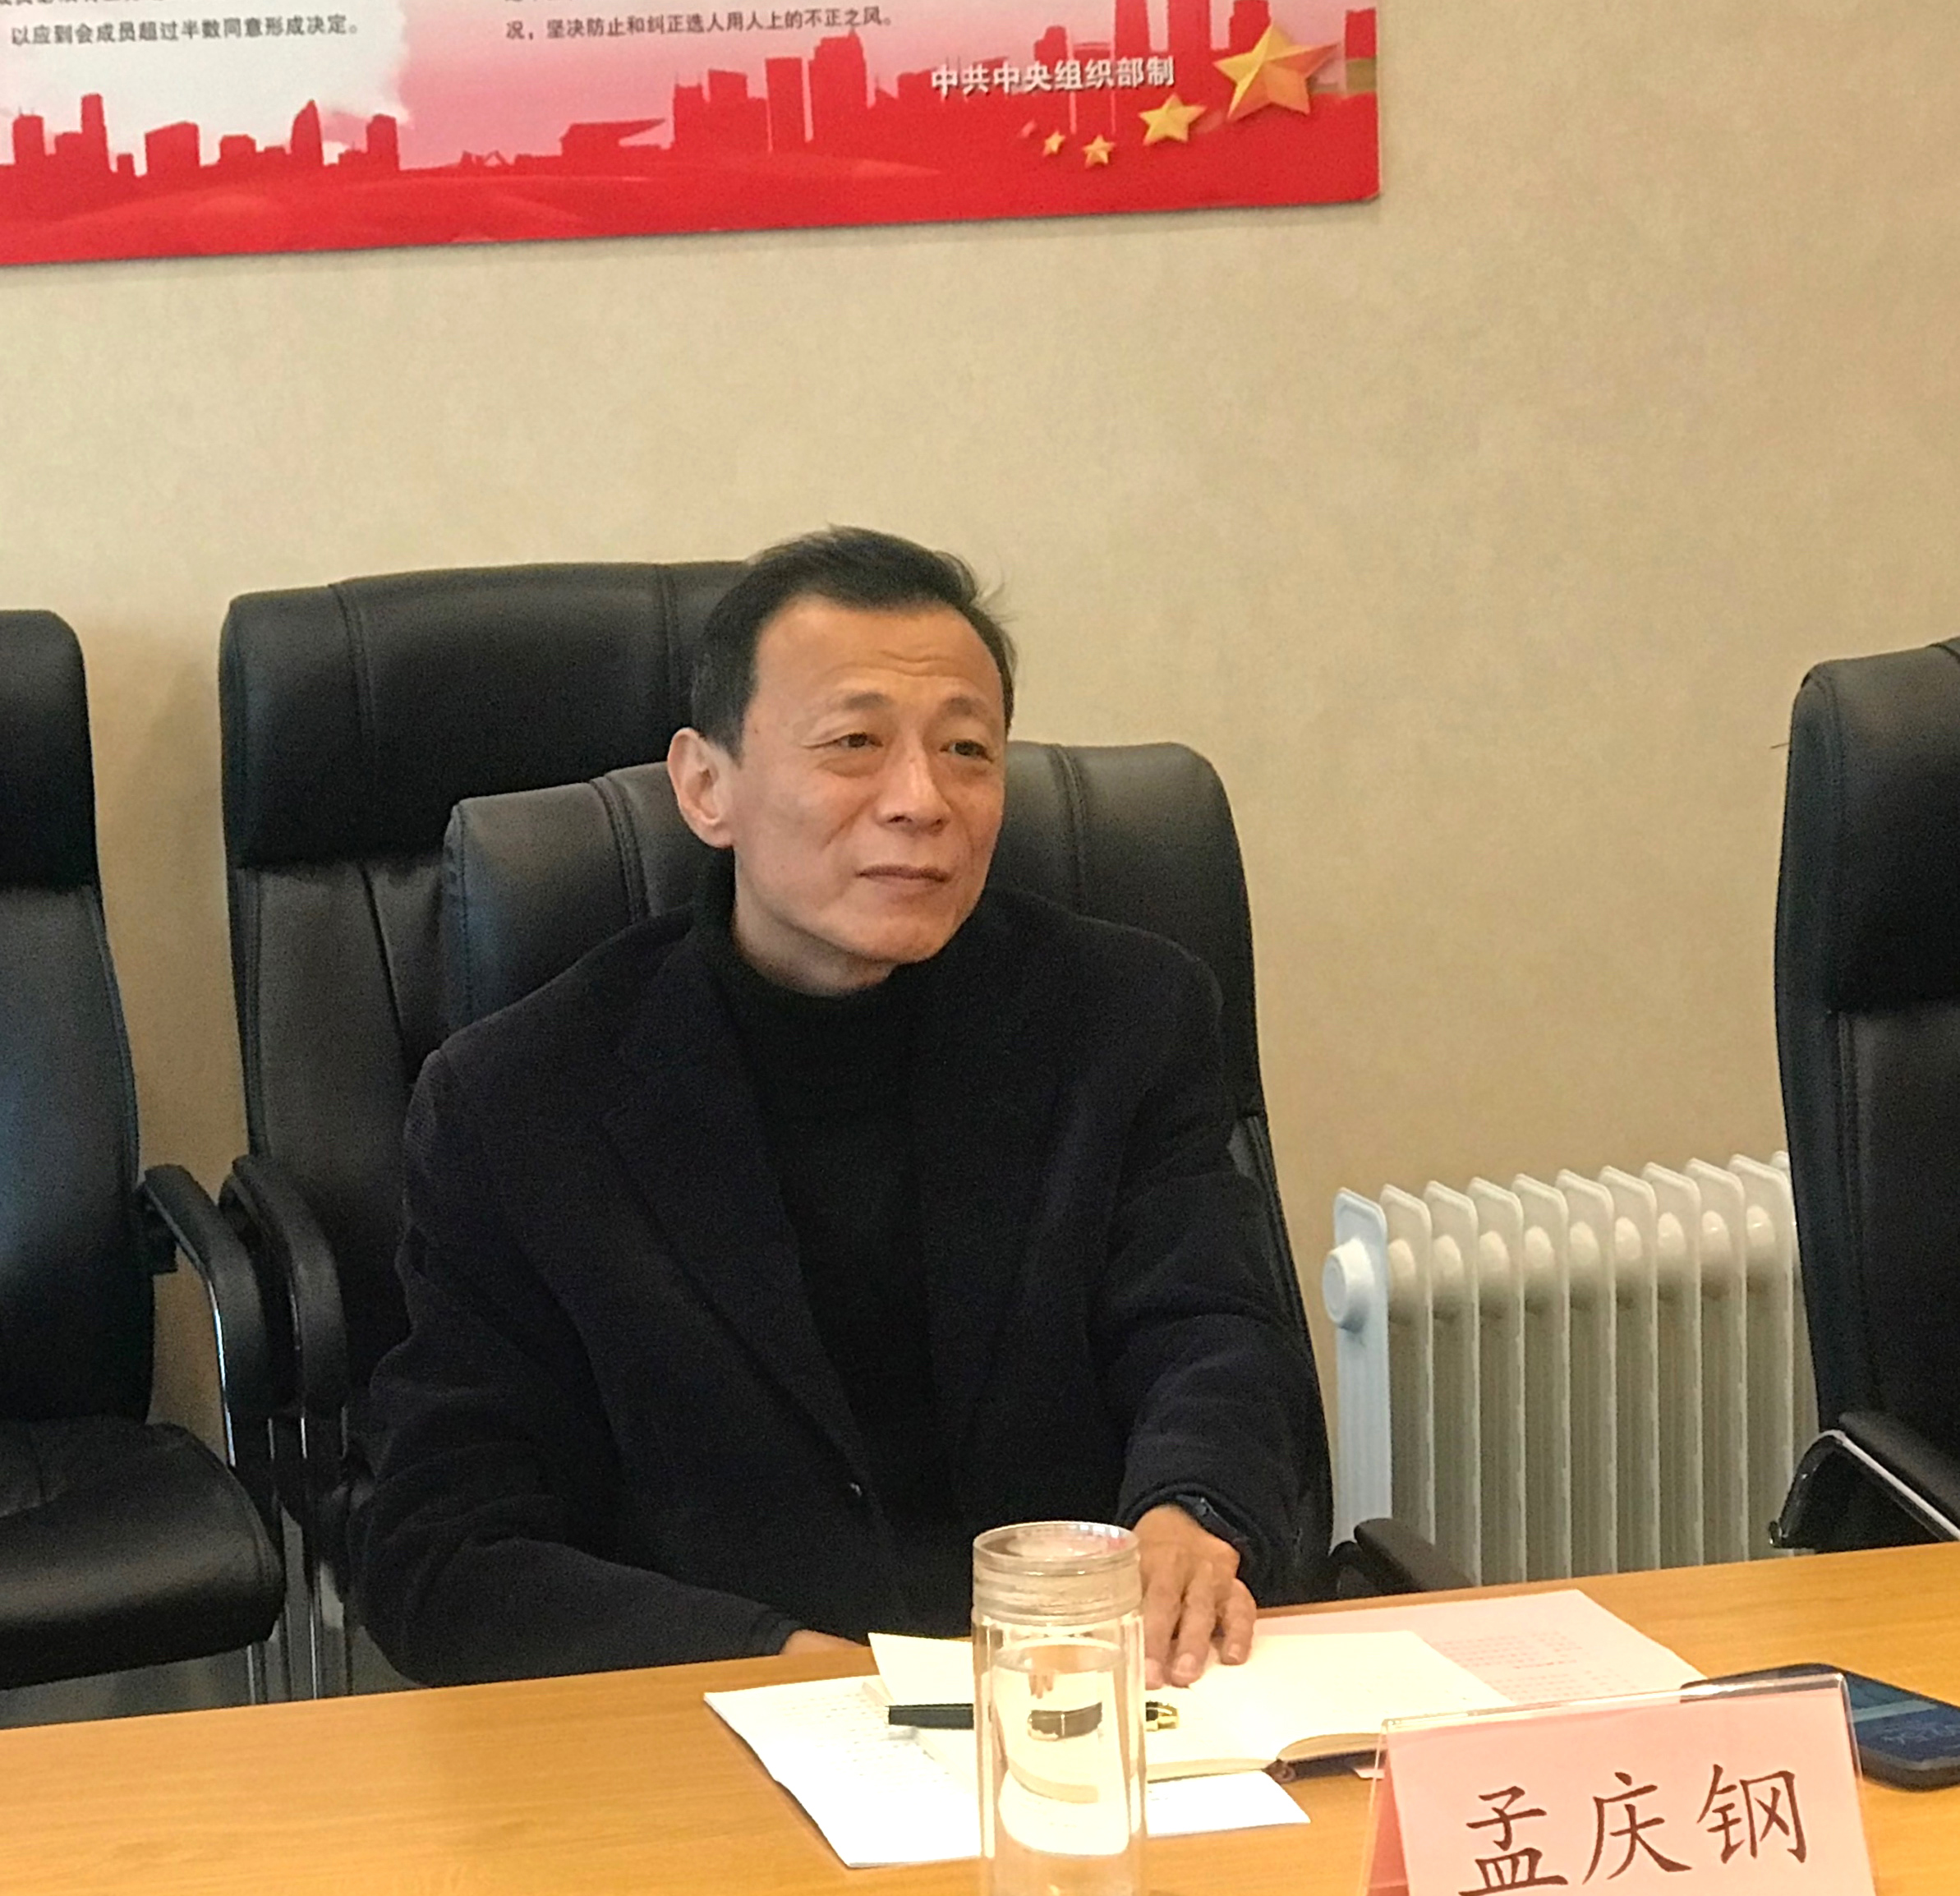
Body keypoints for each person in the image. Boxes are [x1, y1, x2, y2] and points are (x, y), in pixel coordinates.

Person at [353, 528, 1330, 1691]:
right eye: (853, 743)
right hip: (728, 1726)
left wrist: (1190, 1513)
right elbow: (444, 1544)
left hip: (1101, 1685)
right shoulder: (518, 1100)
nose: (921, 801)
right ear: (705, 787)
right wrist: (775, 1667)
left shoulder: (1125, 1019)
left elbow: (1211, 1331)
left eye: (966, 750)